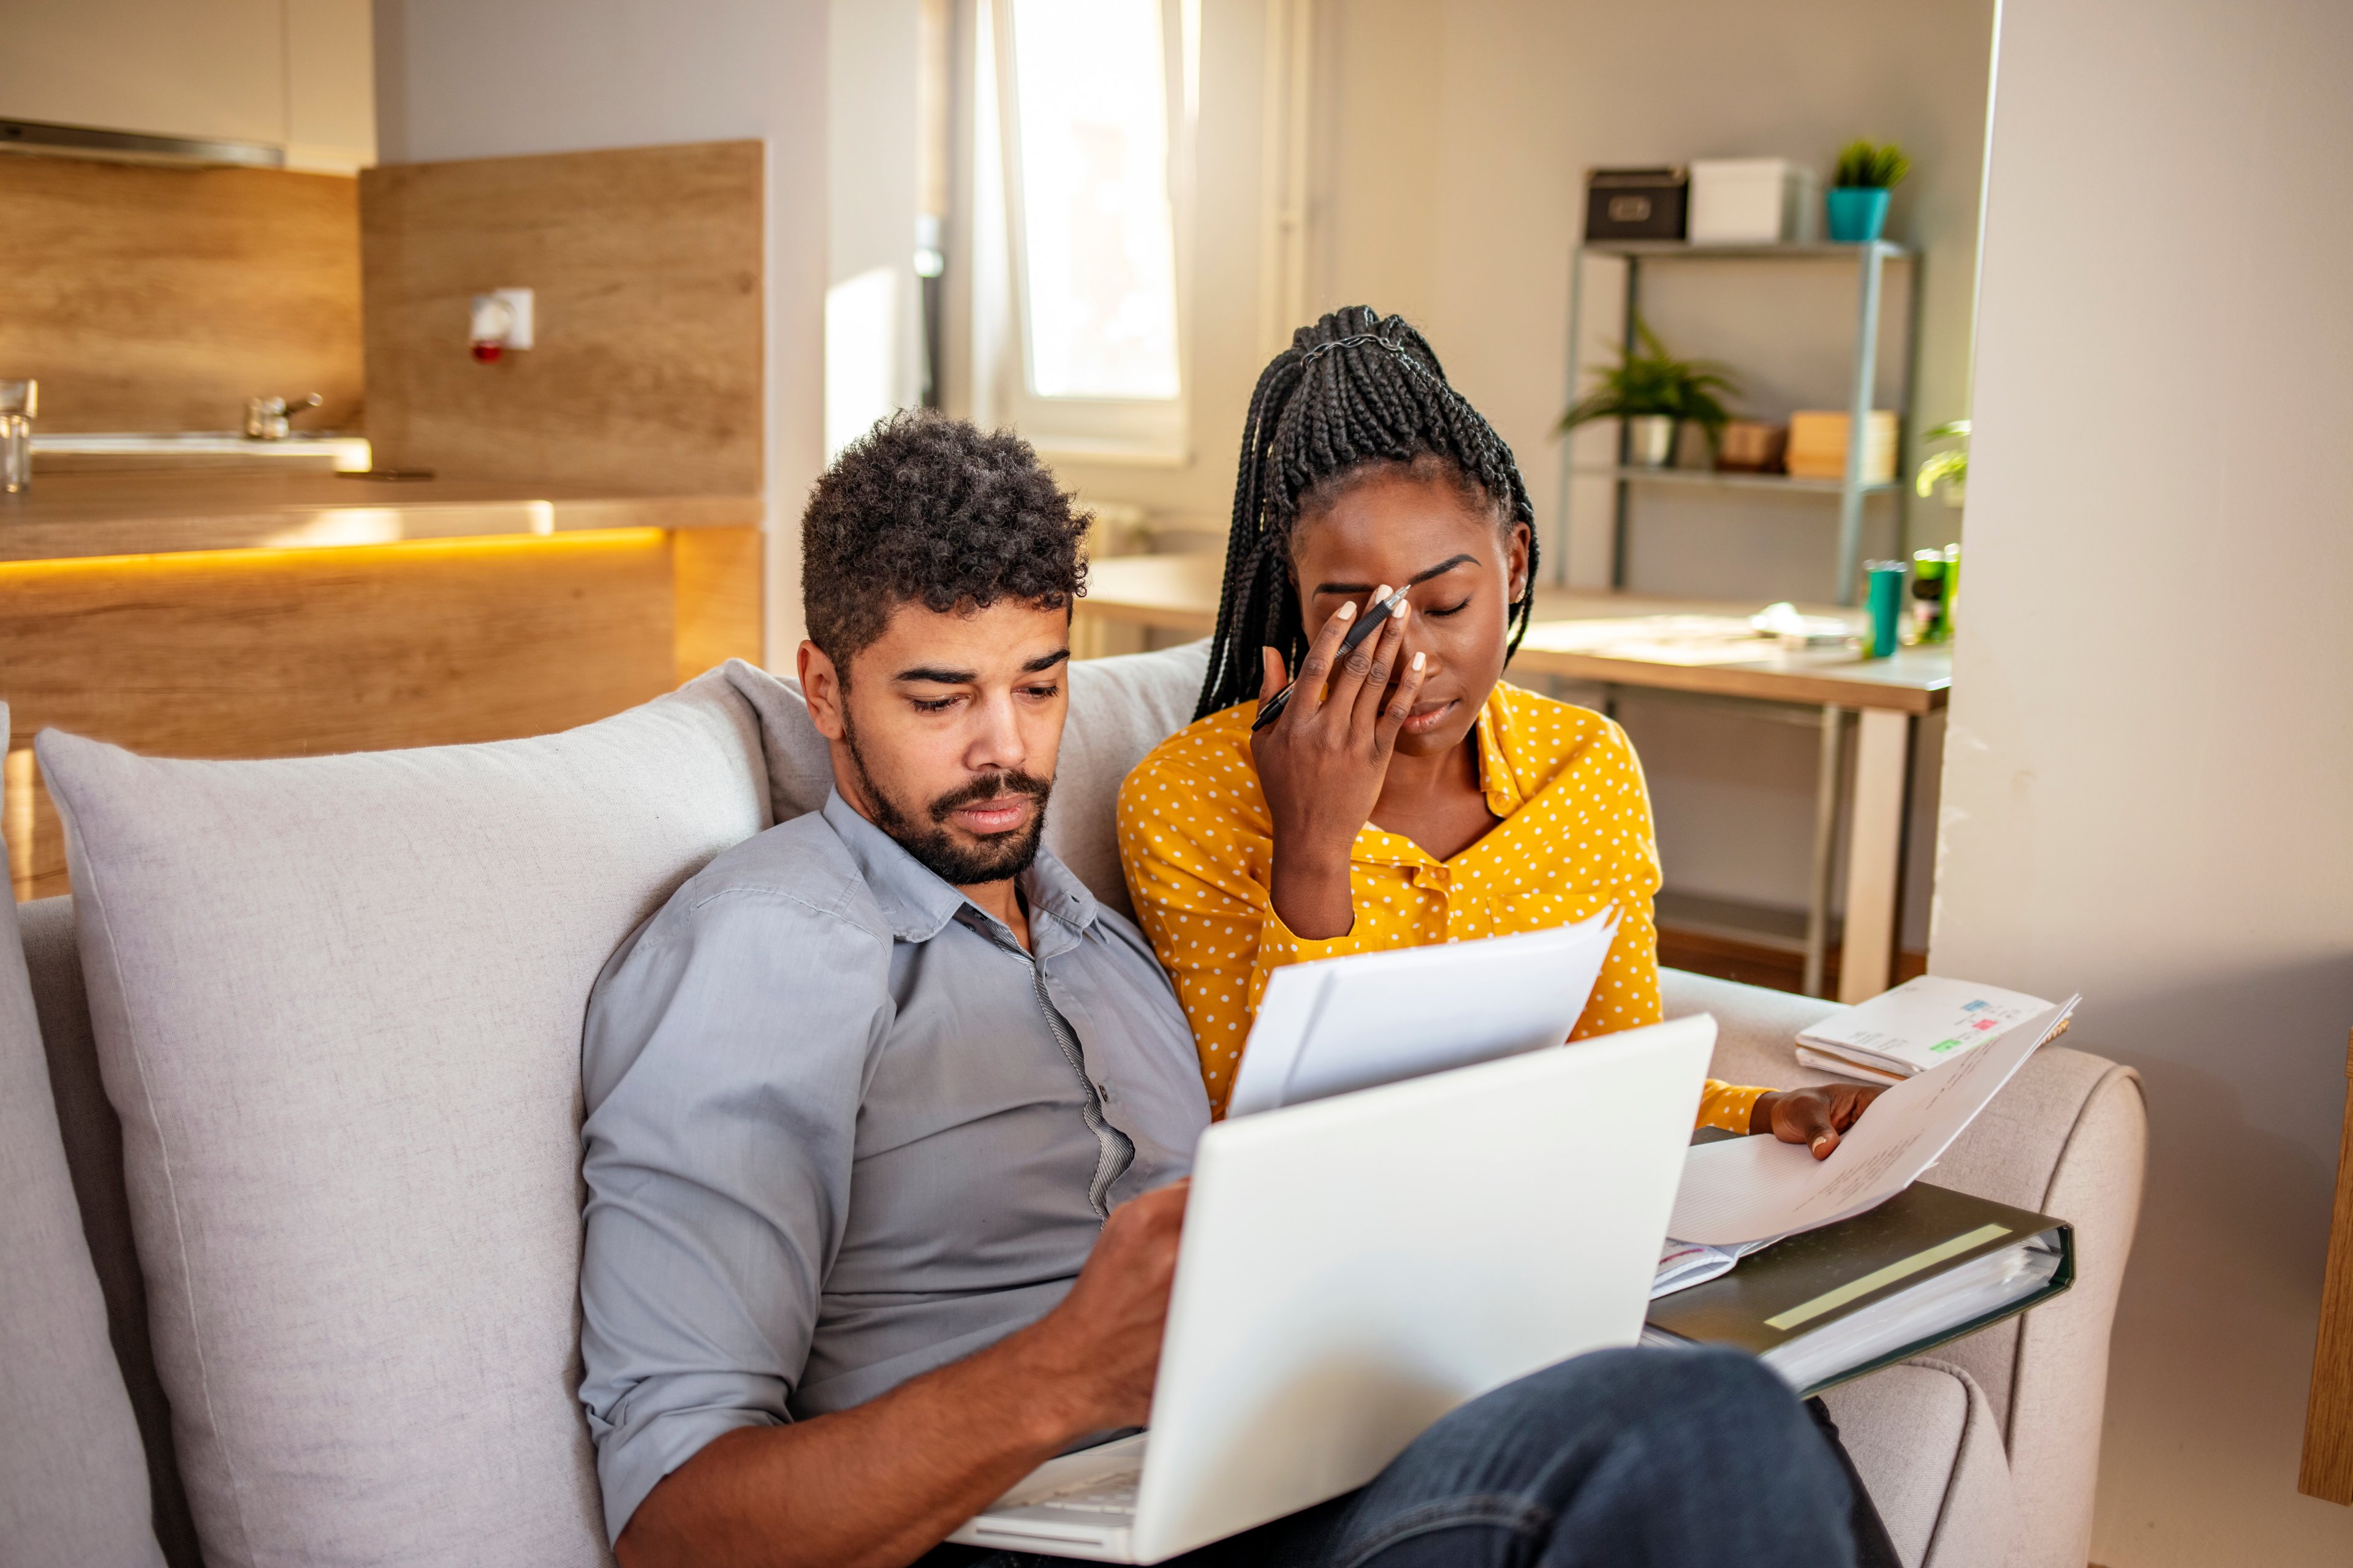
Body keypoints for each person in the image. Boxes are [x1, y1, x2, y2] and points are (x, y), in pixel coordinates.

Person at [575, 410, 1863, 1568]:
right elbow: (676, 1521)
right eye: (939, 697)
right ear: (824, 691)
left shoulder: (1091, 931)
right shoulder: (764, 945)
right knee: (1696, 1432)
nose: (1007, 750)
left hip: (1283, 1465)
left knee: (1747, 1394)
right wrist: (1060, 1375)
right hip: (1038, 1523)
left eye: (1039, 682)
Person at [1116, 307, 1882, 1156]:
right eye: (1351, 616)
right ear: (1294, 597)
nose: (1408, 661)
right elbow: (1256, 1134)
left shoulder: (1586, 770)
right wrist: (1312, 850)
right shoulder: (1186, 799)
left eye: (1446, 605)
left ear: (1514, 563)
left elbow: (1610, 1071)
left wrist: (1759, 1113)